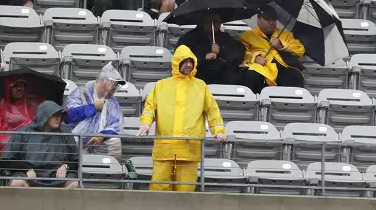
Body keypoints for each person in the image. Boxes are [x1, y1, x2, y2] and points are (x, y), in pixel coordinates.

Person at [137, 46, 226, 192]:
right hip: (165, 149)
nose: (189, 65)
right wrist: (146, 124)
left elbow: (212, 111)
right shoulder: (161, 86)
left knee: (185, 192)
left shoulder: (201, 86)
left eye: (191, 62)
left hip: (188, 149)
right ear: (176, 63)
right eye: (185, 61)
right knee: (159, 189)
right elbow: (149, 108)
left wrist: (218, 130)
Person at [1, 101, 78, 188]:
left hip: (58, 178)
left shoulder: (65, 133)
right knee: (17, 183)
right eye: (54, 115)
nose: (58, 118)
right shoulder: (23, 133)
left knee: (75, 184)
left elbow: (76, 161)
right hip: (28, 176)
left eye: (60, 115)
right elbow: (5, 161)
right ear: (44, 116)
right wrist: (25, 169)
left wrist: (66, 166)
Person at [65, 61, 124, 158]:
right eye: (113, 83)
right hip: (78, 137)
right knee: (73, 139)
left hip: (100, 139)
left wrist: (102, 136)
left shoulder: (112, 101)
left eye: (117, 85)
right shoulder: (81, 93)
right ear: (102, 80)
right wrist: (93, 107)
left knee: (115, 141)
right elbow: (69, 116)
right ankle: (73, 169)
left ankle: (113, 169)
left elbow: (116, 125)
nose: (115, 87)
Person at [239, 5, 305, 92]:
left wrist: (282, 46)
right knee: (252, 75)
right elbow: (240, 51)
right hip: (261, 68)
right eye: (267, 19)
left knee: (295, 75)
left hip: (283, 68)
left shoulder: (285, 35)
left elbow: (300, 50)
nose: (271, 22)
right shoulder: (248, 35)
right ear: (258, 20)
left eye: (273, 19)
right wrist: (255, 57)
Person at [177, 13, 247, 86]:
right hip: (199, 74)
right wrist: (204, 57)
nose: (215, 24)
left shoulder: (225, 37)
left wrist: (221, 51)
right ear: (204, 21)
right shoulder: (190, 38)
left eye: (218, 21)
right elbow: (181, 55)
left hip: (223, 77)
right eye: (213, 21)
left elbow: (239, 52)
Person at [0, 76, 40, 153]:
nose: (19, 89)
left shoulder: (32, 104)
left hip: (28, 139)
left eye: (22, 86)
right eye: (15, 86)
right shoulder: (0, 104)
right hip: (6, 140)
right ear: (9, 89)